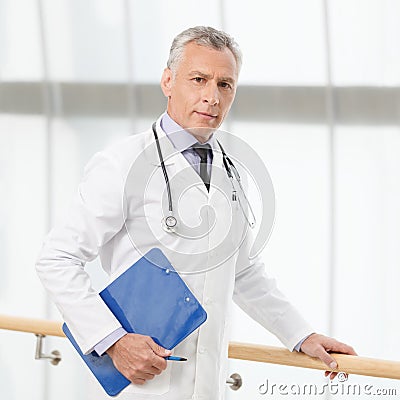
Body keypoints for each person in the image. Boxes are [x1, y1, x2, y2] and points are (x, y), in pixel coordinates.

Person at [36, 26, 356, 399]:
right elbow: (55, 258)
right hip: (143, 381)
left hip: (208, 383)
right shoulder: (121, 163)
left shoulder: (232, 170)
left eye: (225, 84)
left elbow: (243, 271)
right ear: (168, 81)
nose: (212, 97)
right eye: (199, 79)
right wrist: (113, 342)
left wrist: (301, 335)